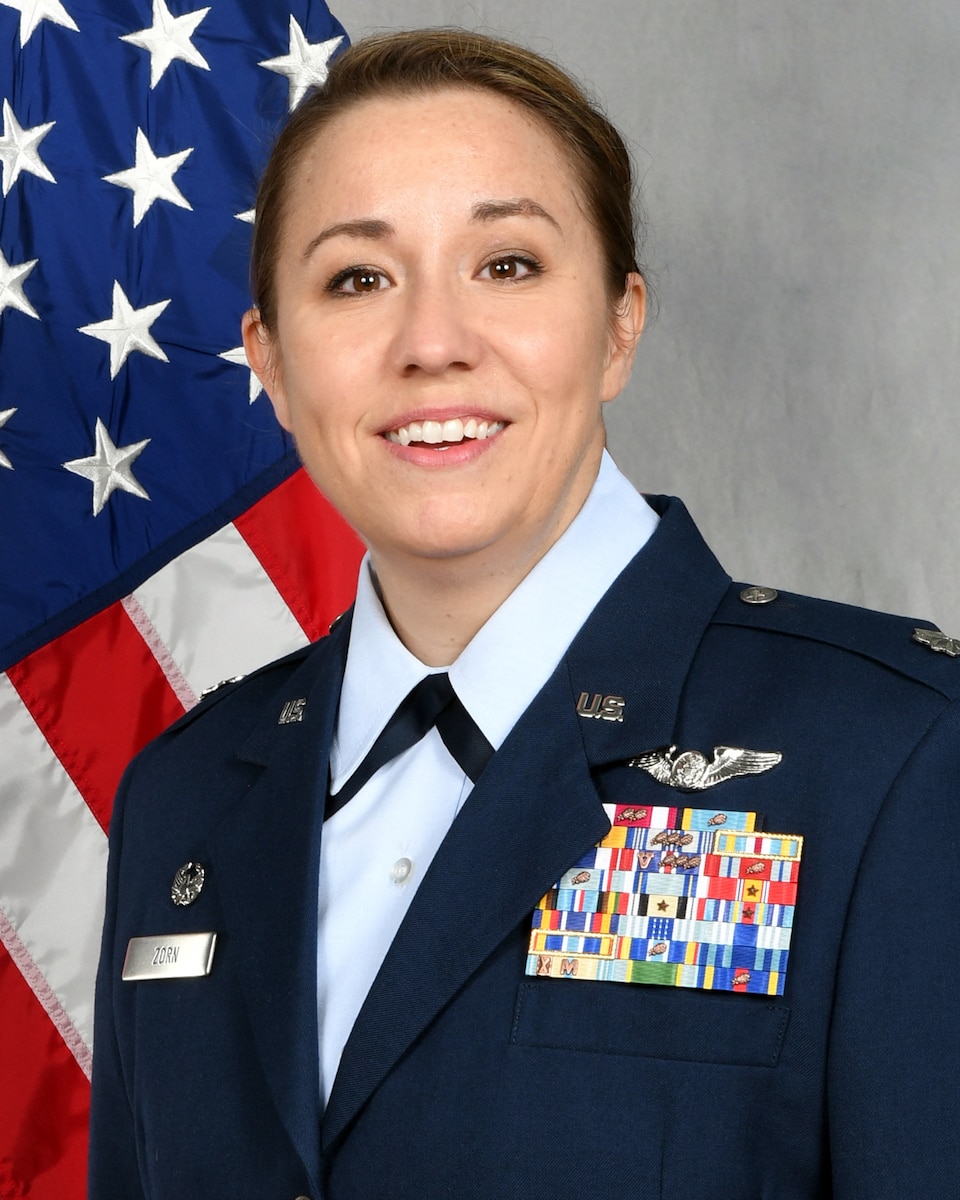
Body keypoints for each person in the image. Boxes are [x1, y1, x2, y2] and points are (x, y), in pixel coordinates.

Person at [88, 28, 960, 1200]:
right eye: (357, 278)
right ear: (275, 366)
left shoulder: (900, 755)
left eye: (506, 265)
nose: (433, 345)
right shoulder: (184, 798)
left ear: (618, 325)